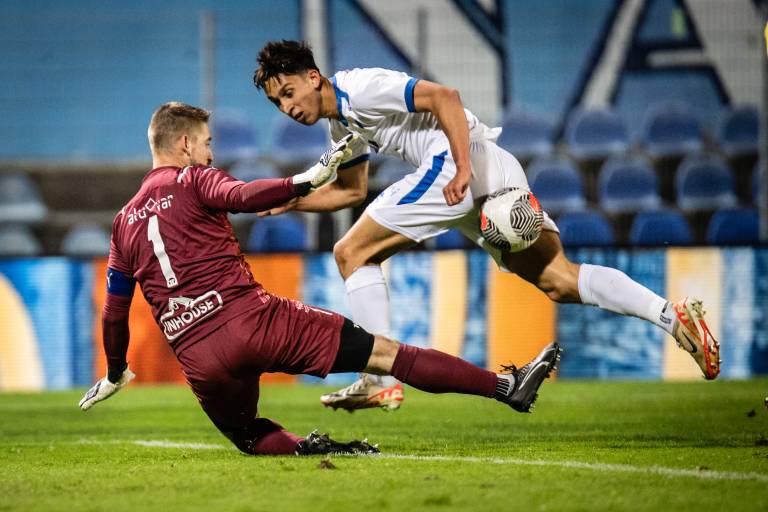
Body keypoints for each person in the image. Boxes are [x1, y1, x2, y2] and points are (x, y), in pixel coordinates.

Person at [252, 40, 721, 412]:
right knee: (559, 279)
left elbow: (444, 97)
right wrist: (294, 202)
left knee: (350, 253)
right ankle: (671, 314)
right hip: (489, 166)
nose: (287, 107)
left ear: (312, 77)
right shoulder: (341, 125)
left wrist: (459, 168)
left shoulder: (361, 87)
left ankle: (379, 378)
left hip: (455, 163)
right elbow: (351, 192)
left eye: (288, 93)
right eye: (276, 103)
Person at [78, 101, 562, 456]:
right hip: (256, 322)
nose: (209, 155)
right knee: (387, 355)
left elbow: (114, 312)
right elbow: (243, 196)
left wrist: (116, 372)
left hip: (199, 359)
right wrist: (308, 178)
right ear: (184, 144)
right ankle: (506, 387)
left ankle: (307, 448)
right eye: (206, 144)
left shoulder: (122, 223)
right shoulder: (192, 179)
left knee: (248, 435)